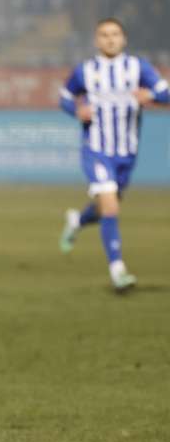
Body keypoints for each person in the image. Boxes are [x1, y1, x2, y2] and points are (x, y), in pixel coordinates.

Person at [58, 18, 169, 290]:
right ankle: (118, 271)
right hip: (96, 149)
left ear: (124, 39)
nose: (110, 39)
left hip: (126, 153)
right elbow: (64, 96)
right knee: (110, 206)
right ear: (97, 40)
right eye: (104, 35)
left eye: (115, 34)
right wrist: (76, 111)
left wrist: (152, 98)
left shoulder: (138, 68)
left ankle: (77, 221)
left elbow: (166, 94)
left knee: (104, 208)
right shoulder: (86, 71)